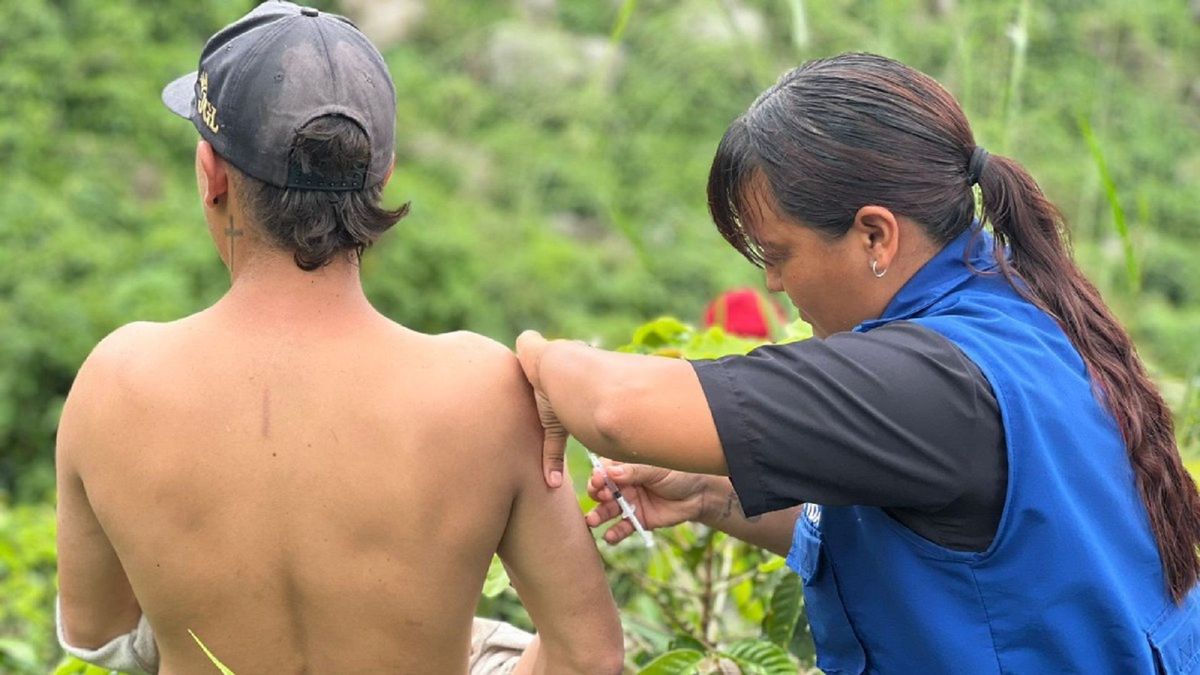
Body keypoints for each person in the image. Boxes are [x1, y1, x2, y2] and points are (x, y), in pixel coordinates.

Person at [516, 52, 1200, 673]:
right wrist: (711, 495)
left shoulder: (933, 377)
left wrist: (536, 357)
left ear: (875, 234)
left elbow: (614, 409)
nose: (776, 286)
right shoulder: (1018, 300)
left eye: (778, 254)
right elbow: (939, 546)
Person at [54, 3, 623, 674]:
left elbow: (97, 635)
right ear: (381, 176)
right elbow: (591, 657)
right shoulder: (486, 388)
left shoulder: (114, 382)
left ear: (212, 173)